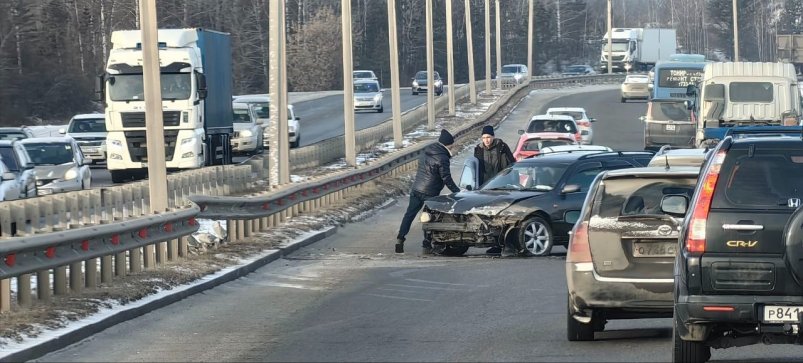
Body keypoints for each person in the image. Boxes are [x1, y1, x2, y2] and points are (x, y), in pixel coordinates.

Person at [395, 129, 460, 254]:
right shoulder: (443, 157)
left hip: (416, 189)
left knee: (409, 215)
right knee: (429, 218)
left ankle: (400, 240)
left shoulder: (427, 151)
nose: (453, 146)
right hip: (430, 192)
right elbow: (446, 178)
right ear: (448, 144)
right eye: (452, 144)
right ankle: (427, 244)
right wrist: (457, 191)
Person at [473, 125, 516, 254]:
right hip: (485, 188)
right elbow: (476, 169)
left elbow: (512, 164)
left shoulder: (502, 147)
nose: (486, 140)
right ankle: (494, 243)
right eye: (484, 137)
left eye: (488, 137)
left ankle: (506, 243)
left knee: (502, 215)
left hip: (502, 187)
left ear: (493, 137)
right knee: (489, 217)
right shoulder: (478, 150)